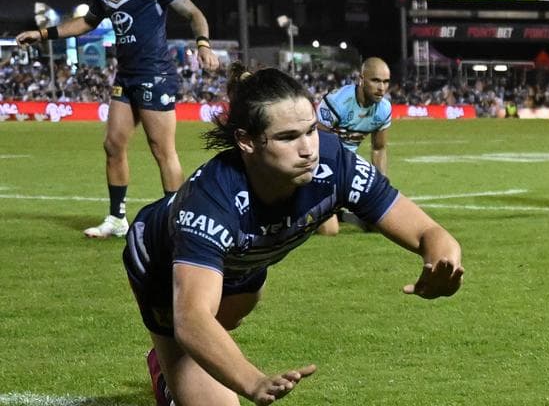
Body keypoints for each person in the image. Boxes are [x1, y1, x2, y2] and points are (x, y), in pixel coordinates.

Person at [123, 65, 463, 406]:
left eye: (311, 130)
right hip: (163, 267)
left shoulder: (334, 164)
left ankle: (175, 366)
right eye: (287, 137)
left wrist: (442, 261)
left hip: (242, 269)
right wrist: (252, 381)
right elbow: (192, 318)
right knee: (196, 350)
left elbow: (428, 231)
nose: (308, 150)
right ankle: (170, 370)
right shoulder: (211, 200)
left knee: (222, 326)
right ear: (246, 141)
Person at [16, 0, 219, 238]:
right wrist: (42, 34)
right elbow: (86, 23)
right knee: (113, 145)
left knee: (162, 149)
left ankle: (177, 223)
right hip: (126, 76)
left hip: (155, 74)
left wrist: (204, 45)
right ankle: (117, 218)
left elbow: (193, 13)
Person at [314, 56, 393, 234]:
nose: (382, 88)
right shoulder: (337, 102)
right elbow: (316, 144)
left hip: (349, 166)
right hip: (322, 165)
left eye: (386, 82)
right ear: (361, 79)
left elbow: (379, 149)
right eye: (376, 81)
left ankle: (341, 212)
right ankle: (316, 210)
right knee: (329, 230)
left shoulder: (384, 109)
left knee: (380, 224)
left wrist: (379, 189)